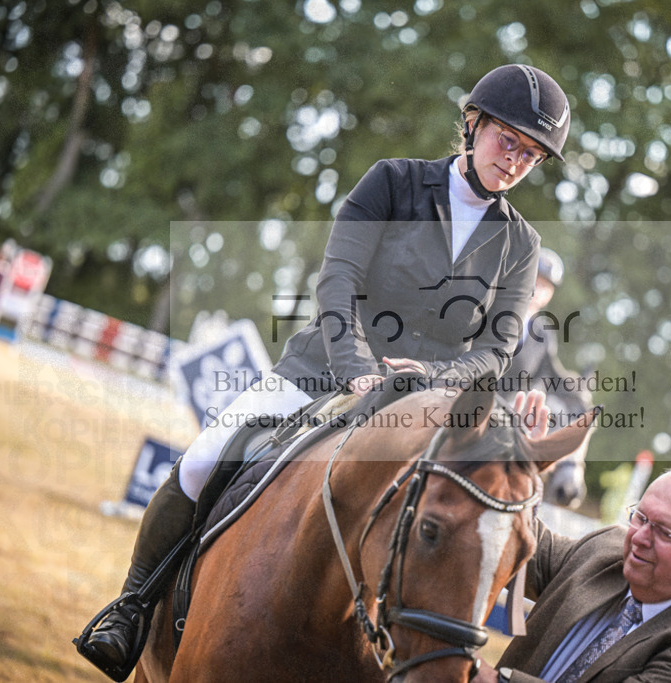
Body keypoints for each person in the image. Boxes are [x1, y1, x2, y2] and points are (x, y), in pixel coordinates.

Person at [77, 63, 572, 679]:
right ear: (474, 124)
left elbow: (498, 349)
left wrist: (434, 376)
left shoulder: (519, 245)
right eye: (509, 141)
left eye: (531, 155)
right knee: (208, 456)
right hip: (323, 369)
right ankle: (131, 607)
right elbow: (338, 279)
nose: (517, 161)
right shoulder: (393, 182)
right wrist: (357, 366)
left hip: (424, 405)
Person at [473, 450, 671, 682]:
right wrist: (502, 460)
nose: (639, 538)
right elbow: (516, 542)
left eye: (664, 531)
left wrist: (487, 679)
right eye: (640, 517)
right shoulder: (606, 550)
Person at [501, 248, 592, 507]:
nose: (538, 290)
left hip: (504, 416)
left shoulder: (543, 333)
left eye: (545, 287)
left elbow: (552, 375)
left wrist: (578, 390)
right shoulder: (494, 309)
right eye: (535, 281)